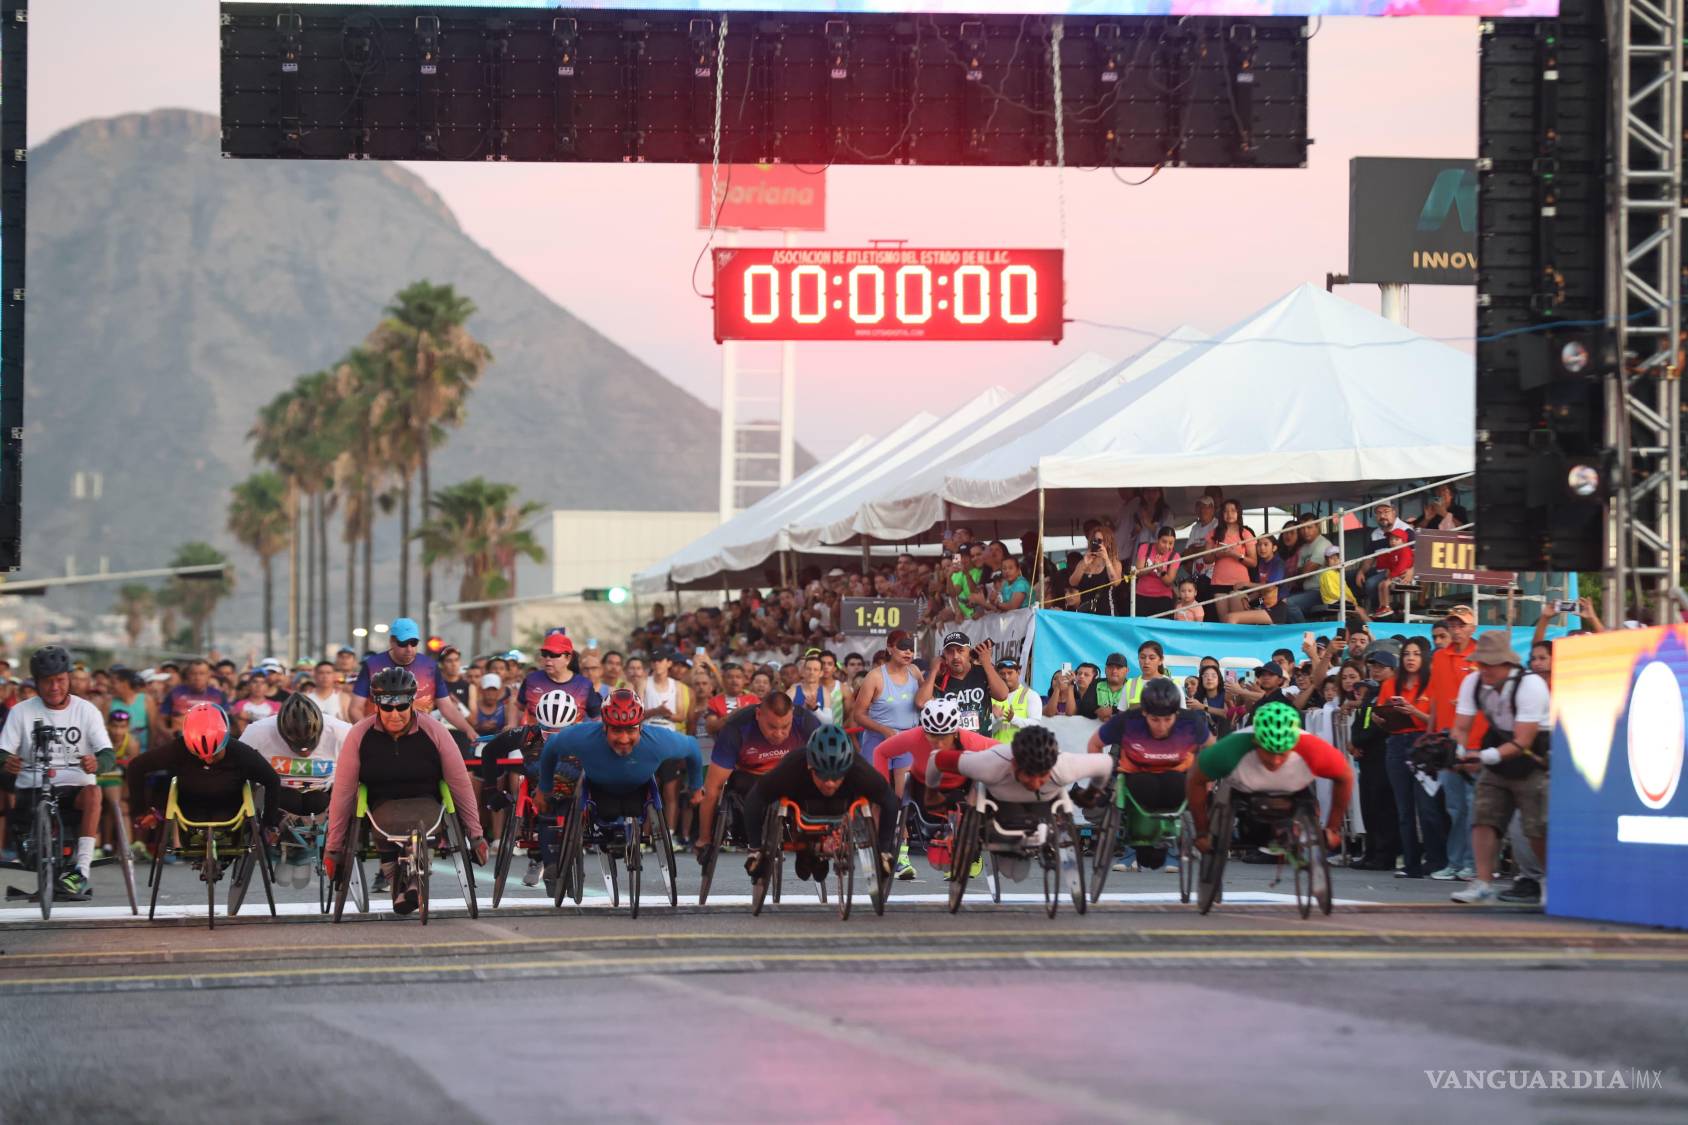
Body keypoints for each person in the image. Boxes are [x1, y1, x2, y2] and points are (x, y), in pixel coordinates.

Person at [325, 667, 488, 915]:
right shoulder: (359, 734)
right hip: (380, 804)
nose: (395, 714)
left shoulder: (435, 730)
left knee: (427, 822)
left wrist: (475, 835)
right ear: (376, 705)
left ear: (412, 703)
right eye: (387, 707)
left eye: (401, 706)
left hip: (427, 801)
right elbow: (343, 791)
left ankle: (414, 879)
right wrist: (334, 847)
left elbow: (459, 784)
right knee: (382, 823)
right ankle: (399, 882)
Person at [0, 647, 116, 898]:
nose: (54, 687)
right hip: (32, 787)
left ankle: (81, 871)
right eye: (47, 681)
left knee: (94, 792)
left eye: (60, 680)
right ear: (36, 682)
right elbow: (3, 752)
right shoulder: (21, 711)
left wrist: (97, 763)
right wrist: (7, 762)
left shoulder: (87, 711)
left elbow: (108, 754)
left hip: (75, 789)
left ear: (69, 678)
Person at [124, 704, 282, 883]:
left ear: (225, 741)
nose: (208, 760)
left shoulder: (241, 753)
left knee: (230, 829)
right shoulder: (178, 749)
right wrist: (140, 811)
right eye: (199, 755)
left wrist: (269, 824)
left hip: (231, 811)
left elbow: (272, 780)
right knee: (174, 799)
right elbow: (136, 767)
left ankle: (225, 856)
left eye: (215, 755)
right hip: (189, 811)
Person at [1447, 633, 1550, 906]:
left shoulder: (1531, 685)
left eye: (1491, 664)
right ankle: (1483, 883)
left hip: (1535, 757)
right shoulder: (1473, 682)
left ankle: (1551, 880)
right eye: (1481, 663)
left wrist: (1482, 757)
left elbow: (1524, 740)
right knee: (1483, 816)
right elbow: (1461, 727)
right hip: (1498, 752)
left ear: (1507, 663)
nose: (1485, 669)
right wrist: (1456, 754)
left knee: (1536, 826)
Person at [534, 689, 705, 846]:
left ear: (640, 727)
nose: (624, 739)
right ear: (604, 727)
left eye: (631, 730)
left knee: (631, 808)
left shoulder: (658, 741)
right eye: (616, 731)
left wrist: (696, 786)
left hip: (638, 792)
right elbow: (551, 746)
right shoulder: (584, 737)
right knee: (607, 812)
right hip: (599, 792)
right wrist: (544, 788)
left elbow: (692, 747)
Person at [1185, 702, 1353, 859]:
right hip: (1243, 791)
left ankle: (1293, 832)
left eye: (1282, 753)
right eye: (1268, 751)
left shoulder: (1313, 749)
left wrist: (1332, 828)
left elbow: (1345, 777)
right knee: (1226, 804)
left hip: (1294, 789)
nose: (1275, 761)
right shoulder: (1229, 749)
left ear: (1294, 743)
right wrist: (1202, 831)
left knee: (1310, 809)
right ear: (1255, 741)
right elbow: (1195, 780)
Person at [742, 726, 899, 885]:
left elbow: (890, 801)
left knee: (815, 873)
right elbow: (755, 799)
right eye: (823, 775)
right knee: (805, 870)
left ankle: (816, 852)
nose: (830, 783)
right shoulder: (792, 766)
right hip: (802, 810)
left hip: (841, 808)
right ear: (810, 766)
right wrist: (755, 849)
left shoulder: (859, 769)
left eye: (837, 776)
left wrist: (884, 850)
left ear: (846, 769)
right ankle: (806, 850)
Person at [1088, 678, 1215, 870]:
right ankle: (1134, 847)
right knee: (1143, 786)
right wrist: (1101, 780)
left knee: (1177, 783)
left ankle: (1173, 848)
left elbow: (1212, 748)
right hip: (1138, 779)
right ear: (1144, 712)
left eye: (1167, 720)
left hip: (1176, 779)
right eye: (1155, 720)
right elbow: (1095, 744)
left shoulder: (1190, 721)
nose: (1161, 726)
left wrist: (1207, 780)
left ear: (1177, 713)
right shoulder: (1128, 720)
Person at [694, 691, 821, 858]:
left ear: (792, 715)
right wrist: (704, 838)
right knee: (720, 786)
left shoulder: (806, 721)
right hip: (751, 777)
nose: (779, 734)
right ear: (758, 714)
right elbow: (712, 788)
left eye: (785, 727)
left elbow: (823, 766)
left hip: (791, 775)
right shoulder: (736, 728)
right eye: (772, 727)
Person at [1372, 637, 1445, 879]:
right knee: (1404, 809)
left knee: (1427, 807)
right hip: (1396, 743)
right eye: (1406, 654)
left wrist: (1413, 711)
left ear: (1424, 658)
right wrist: (1379, 719)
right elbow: (1382, 716)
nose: (1410, 658)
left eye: (1416, 654)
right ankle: (1411, 863)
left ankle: (1436, 860)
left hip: (1423, 744)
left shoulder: (1433, 683)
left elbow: (1437, 721)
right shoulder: (1391, 684)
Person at [349, 618, 478, 743]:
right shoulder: (372, 665)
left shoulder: (430, 666)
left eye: (414, 642)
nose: (409, 649)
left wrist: (468, 729)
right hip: (381, 738)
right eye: (403, 643)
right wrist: (370, 737)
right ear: (392, 641)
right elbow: (355, 709)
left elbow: (447, 707)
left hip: (419, 740)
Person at [1426, 606, 1482, 879]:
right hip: (1448, 740)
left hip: (1476, 740)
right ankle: (1455, 862)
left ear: (1473, 628)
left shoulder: (1482, 656)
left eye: (1462, 625)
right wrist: (1430, 733)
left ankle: (1474, 863)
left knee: (1474, 805)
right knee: (1455, 806)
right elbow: (1436, 699)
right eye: (1453, 624)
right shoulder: (1439, 657)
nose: (1456, 629)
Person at [850, 629, 921, 796]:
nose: (908, 652)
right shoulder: (874, 677)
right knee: (877, 796)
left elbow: (926, 700)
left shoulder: (915, 671)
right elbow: (858, 715)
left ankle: (901, 816)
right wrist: (884, 730)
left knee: (904, 797)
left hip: (907, 740)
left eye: (911, 648)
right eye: (903, 647)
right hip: (877, 740)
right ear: (889, 648)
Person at [916, 632, 1011, 738]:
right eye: (950, 652)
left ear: (969, 653)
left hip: (980, 742)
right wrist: (934, 670)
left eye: (960, 650)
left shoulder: (983, 672)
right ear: (944, 655)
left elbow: (1002, 695)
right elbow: (921, 703)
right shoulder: (938, 678)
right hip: (952, 743)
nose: (955, 656)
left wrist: (987, 663)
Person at [518, 631, 601, 727]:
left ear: (568, 658)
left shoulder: (584, 685)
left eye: (554, 655)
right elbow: (519, 706)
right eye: (544, 654)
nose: (548, 658)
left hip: (570, 736)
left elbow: (597, 717)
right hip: (535, 736)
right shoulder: (531, 679)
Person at [159, 659, 230, 737]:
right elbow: (161, 719)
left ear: (208, 675)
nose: (197, 677)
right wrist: (167, 732)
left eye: (202, 673)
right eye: (193, 674)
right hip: (180, 740)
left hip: (209, 741)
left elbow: (227, 721)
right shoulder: (175, 693)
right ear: (187, 675)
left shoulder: (218, 695)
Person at [1131, 526, 1181, 618]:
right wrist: (1152, 567)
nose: (1167, 546)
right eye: (1164, 542)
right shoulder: (1145, 548)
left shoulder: (1175, 556)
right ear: (1157, 540)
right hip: (1141, 595)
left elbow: (1169, 582)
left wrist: (1161, 571)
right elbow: (1138, 572)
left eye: (1171, 543)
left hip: (1163, 598)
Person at [988, 658, 1042, 745]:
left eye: (1010, 673)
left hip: (1021, 750)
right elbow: (986, 731)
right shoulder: (992, 697)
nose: (1006, 677)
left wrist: (1013, 719)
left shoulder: (1030, 695)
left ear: (1018, 672)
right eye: (1002, 674)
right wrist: (997, 719)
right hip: (997, 749)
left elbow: (1035, 726)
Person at [789, 653, 836, 727]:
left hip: (817, 734)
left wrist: (815, 708)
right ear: (803, 671)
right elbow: (783, 716)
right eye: (808, 669)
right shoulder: (793, 690)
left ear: (821, 673)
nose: (811, 672)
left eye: (815, 670)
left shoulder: (824, 692)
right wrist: (803, 709)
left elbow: (829, 722)